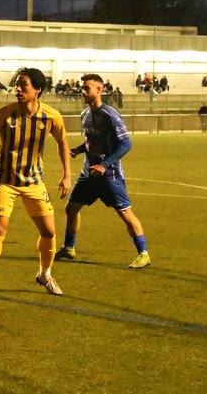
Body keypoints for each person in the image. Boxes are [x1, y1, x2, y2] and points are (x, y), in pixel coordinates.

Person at [0, 67, 72, 299]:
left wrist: (67, 174)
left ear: (38, 90)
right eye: (17, 85)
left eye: (24, 85)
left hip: (33, 182)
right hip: (5, 181)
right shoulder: (4, 113)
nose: (18, 89)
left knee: (49, 232)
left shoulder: (52, 116)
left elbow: (62, 142)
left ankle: (45, 274)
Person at [55, 74, 151, 269]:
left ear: (99, 90)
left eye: (87, 88)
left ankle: (143, 254)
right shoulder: (85, 115)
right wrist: (79, 150)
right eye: (82, 88)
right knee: (71, 208)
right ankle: (69, 248)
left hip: (109, 175)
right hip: (88, 173)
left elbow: (126, 143)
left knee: (125, 213)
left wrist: (105, 165)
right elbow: (91, 141)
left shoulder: (110, 115)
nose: (82, 91)